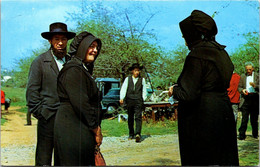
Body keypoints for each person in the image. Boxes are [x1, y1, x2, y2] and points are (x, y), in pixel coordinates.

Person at [168, 10, 239, 166]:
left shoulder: (197, 55)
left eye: (185, 35)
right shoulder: (222, 53)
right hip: (222, 113)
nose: (183, 39)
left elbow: (188, 94)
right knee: (222, 159)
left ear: (192, 34)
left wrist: (174, 89)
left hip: (201, 118)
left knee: (204, 159)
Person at [26, 22, 76, 166]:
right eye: (56, 39)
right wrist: (42, 113)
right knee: (44, 159)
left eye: (63, 39)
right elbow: (32, 92)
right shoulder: (40, 62)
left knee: (65, 158)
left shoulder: (71, 62)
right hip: (47, 117)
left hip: (68, 119)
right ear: (50, 41)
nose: (60, 43)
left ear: (67, 41)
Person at [54, 31, 103, 166]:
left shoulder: (81, 69)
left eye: (96, 47)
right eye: (91, 46)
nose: (95, 50)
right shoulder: (73, 70)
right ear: (81, 48)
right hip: (72, 130)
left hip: (79, 128)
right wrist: (96, 130)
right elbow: (82, 104)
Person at [120, 63, 147, 142]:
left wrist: (143, 99)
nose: (137, 72)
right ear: (132, 71)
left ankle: (138, 133)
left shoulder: (142, 80)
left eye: (138, 71)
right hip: (130, 100)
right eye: (135, 70)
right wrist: (122, 97)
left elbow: (144, 90)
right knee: (130, 117)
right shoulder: (128, 79)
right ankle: (131, 134)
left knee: (138, 117)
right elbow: (124, 88)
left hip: (138, 100)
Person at [238, 62, 259, 140]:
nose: (248, 71)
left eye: (250, 69)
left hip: (255, 98)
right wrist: (242, 90)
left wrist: (255, 86)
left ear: (253, 68)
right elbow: (239, 87)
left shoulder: (257, 76)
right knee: (244, 118)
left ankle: (255, 134)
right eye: (247, 69)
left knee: (254, 118)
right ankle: (242, 135)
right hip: (246, 98)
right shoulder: (243, 76)